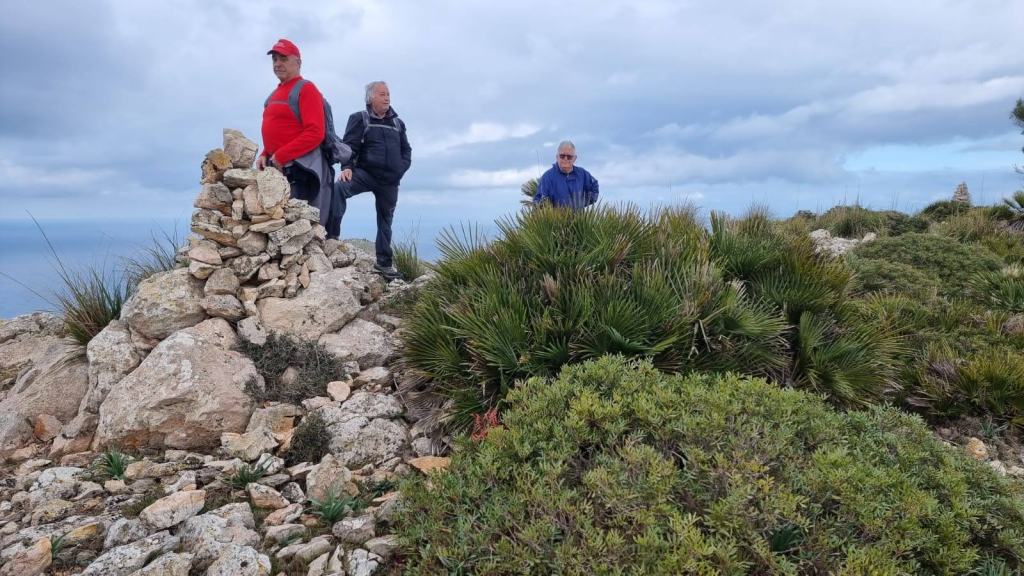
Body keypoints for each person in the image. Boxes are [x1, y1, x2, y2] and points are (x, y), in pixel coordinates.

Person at [331, 81, 412, 281]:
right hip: (365, 174)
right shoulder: (360, 118)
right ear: (371, 98)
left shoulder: (397, 123)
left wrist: (399, 171)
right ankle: (331, 239)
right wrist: (347, 167)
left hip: (389, 182)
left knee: (386, 221)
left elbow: (406, 151)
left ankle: (384, 264)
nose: (387, 98)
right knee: (339, 188)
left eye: (388, 94)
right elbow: (348, 146)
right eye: (382, 94)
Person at [257, 38, 333, 227]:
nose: (277, 64)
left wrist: (281, 156)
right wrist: (265, 153)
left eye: (283, 58)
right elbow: (280, 131)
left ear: (298, 62)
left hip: (300, 172)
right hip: (280, 169)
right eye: (274, 59)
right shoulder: (274, 95)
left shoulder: (306, 89)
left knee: (300, 231)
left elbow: (316, 132)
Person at [533, 141, 599, 210]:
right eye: (562, 156)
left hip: (579, 220)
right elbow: (538, 202)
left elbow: (594, 186)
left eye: (569, 157)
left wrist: (583, 202)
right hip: (556, 220)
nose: (565, 159)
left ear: (574, 158)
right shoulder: (547, 177)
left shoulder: (582, 174)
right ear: (557, 157)